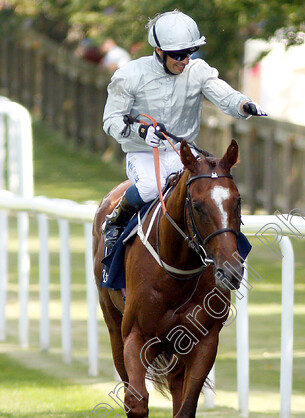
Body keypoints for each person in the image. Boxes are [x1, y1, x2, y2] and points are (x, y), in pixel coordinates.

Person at [101, 10, 267, 254]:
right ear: (159, 51)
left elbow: (224, 94)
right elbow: (111, 120)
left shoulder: (198, 71)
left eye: (189, 53)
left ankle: (227, 251)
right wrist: (141, 131)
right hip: (144, 153)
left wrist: (243, 104)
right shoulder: (129, 75)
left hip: (184, 153)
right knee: (149, 187)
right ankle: (116, 220)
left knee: (214, 190)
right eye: (178, 55)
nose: (185, 60)